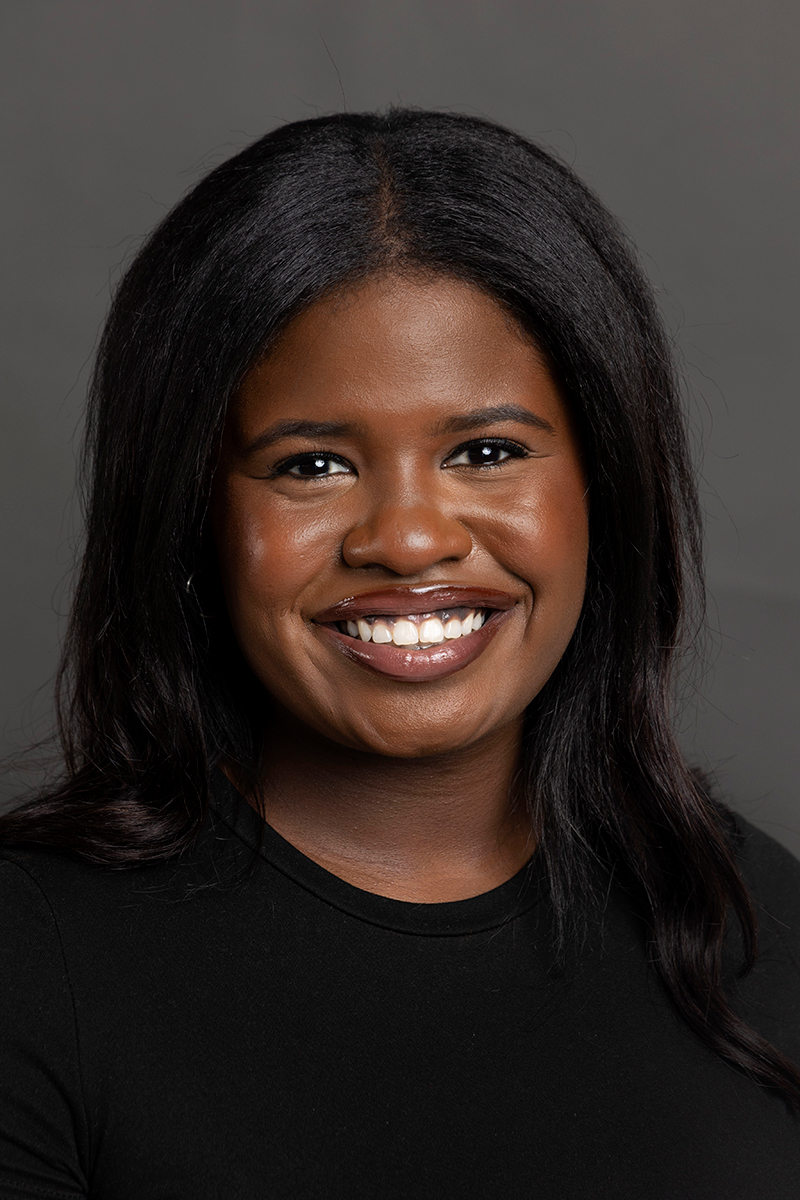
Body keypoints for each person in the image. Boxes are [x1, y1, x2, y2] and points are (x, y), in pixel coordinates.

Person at [1, 109, 799, 1198]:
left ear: (603, 486)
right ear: (189, 515)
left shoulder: (754, 919)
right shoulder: (31, 961)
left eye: (486, 451)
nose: (411, 540)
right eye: (311, 466)